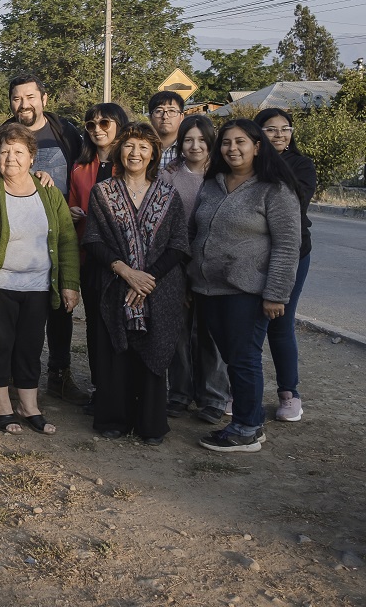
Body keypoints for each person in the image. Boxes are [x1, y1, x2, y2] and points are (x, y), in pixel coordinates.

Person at [0, 123, 80, 435]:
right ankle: (1, 405)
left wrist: (69, 283)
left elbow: (66, 238)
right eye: (5, 151)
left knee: (31, 346)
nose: (11, 157)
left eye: (19, 151)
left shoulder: (48, 191)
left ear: (32, 157)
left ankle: (28, 405)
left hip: (38, 286)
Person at [190, 119, 300, 453]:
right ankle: (246, 423)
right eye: (226, 142)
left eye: (241, 142)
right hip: (208, 289)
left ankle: (248, 428)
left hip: (248, 291)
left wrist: (276, 294)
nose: (233, 148)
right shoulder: (213, 184)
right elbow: (197, 231)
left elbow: (287, 245)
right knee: (232, 356)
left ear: (257, 146)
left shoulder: (274, 189)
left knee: (243, 358)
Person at [82, 124, 190, 445]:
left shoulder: (168, 195)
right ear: (119, 151)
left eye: (143, 148)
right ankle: (114, 418)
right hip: (114, 283)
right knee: (116, 352)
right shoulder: (103, 192)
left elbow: (179, 244)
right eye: (129, 146)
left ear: (154, 154)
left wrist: (146, 279)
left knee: (153, 350)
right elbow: (93, 239)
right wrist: (127, 274)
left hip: (159, 287)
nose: (135, 153)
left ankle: (150, 423)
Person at [3, 73, 88, 405]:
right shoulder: (5, 135)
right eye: (17, 99)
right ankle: (14, 378)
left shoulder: (66, 133)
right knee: (19, 313)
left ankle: (60, 376)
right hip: (21, 238)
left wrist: (79, 207)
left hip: (62, 236)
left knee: (61, 312)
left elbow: (85, 172)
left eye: (30, 97)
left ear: (44, 99)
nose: (24, 105)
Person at [159, 115, 230, 424]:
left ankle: (213, 397)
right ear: (180, 143)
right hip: (176, 264)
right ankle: (179, 393)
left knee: (211, 335)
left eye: (202, 140)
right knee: (178, 333)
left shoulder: (222, 178)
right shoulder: (168, 176)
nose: (195, 145)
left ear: (211, 143)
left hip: (212, 269)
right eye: (189, 139)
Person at [254, 107, 317, 422]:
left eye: (285, 128)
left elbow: (295, 203)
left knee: (281, 322)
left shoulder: (301, 165)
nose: (280, 134)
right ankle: (237, 390)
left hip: (292, 253)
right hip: (250, 254)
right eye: (270, 129)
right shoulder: (244, 161)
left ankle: (289, 394)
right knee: (245, 324)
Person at [67, 103, 129, 415]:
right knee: (96, 327)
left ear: (119, 125)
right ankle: (100, 389)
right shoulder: (80, 168)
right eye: (91, 124)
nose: (97, 129)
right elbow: (71, 206)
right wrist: (71, 213)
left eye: (104, 122)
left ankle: (126, 391)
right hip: (91, 258)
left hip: (127, 260)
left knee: (126, 326)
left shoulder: (131, 164)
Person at [148, 91, 185, 168]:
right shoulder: (142, 148)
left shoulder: (189, 149)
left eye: (171, 111)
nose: (165, 116)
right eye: (159, 111)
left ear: (181, 117)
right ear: (150, 118)